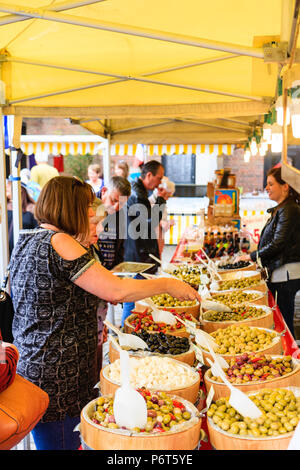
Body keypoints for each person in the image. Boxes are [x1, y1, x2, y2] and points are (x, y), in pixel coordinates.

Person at [9, 175, 200, 450]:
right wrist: (169, 284)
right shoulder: (61, 241)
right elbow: (116, 291)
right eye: (89, 213)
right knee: (63, 443)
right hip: (61, 375)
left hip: (36, 365)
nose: (96, 221)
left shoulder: (27, 241)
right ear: (70, 210)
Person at [237, 166, 300, 337]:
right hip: (280, 272)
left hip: (285, 274)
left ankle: (291, 358)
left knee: (284, 318)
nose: (266, 188)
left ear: (285, 186)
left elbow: (278, 243)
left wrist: (252, 256)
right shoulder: (283, 208)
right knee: (282, 316)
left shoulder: (289, 209)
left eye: (271, 184)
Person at [122, 161, 170, 326]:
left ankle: (129, 329)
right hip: (138, 256)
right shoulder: (137, 195)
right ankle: (126, 331)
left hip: (139, 253)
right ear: (149, 175)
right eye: (159, 178)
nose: (159, 182)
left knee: (136, 297)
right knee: (134, 297)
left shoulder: (139, 193)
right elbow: (149, 225)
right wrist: (161, 201)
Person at [6, 180, 38, 255]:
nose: (6, 187)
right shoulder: (4, 207)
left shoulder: (32, 209)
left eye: (8, 185)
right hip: (4, 252)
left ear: (19, 189)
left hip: (24, 252)